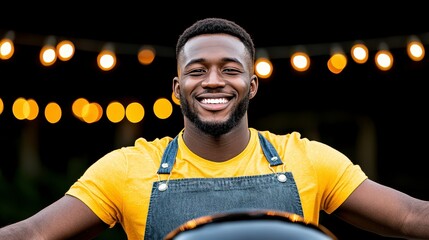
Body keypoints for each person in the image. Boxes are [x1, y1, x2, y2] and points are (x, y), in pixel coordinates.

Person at [0, 17, 429, 240]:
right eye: (196, 70)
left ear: (252, 85)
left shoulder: (308, 160)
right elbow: (35, 232)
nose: (213, 81)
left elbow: (411, 217)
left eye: (230, 69)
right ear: (176, 87)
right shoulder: (127, 169)